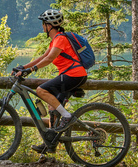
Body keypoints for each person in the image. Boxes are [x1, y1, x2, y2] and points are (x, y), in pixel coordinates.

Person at [13, 9, 87, 153]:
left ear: (49, 25)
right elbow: (42, 57)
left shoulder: (60, 39)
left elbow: (49, 59)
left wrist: (31, 70)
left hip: (74, 74)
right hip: (69, 75)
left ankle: (67, 116)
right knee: (52, 108)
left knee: (40, 90)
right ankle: (50, 144)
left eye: (44, 24)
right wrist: (23, 67)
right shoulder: (55, 41)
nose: (42, 27)